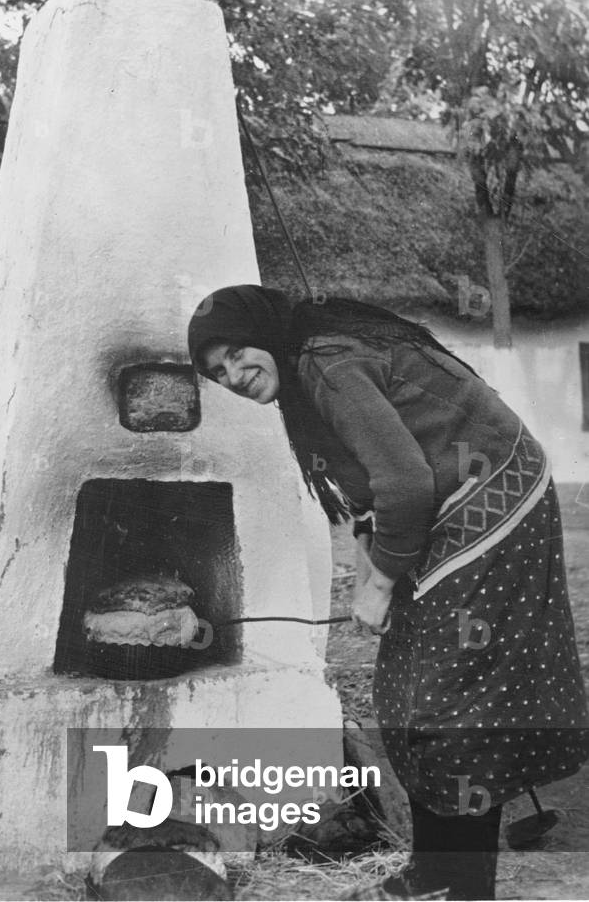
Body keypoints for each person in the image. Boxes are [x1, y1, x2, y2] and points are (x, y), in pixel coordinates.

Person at [187, 284, 589, 901]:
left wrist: (378, 585)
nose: (235, 375)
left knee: (448, 707)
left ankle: (461, 885)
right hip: (449, 502)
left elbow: (404, 483)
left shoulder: (328, 365)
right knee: (405, 688)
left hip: (492, 501)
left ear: (265, 334)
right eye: (219, 373)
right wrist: (369, 560)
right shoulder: (305, 371)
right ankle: (434, 870)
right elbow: (369, 490)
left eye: (239, 354)